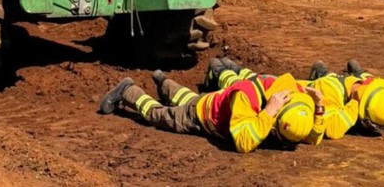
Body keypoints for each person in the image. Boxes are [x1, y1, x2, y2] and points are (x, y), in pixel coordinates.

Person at [99, 68, 325, 153]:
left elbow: (311, 138)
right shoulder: (247, 96)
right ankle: (128, 90)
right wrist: (267, 114)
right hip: (201, 116)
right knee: (161, 116)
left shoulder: (293, 94)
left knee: (188, 98)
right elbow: (244, 143)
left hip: (211, 101)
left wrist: (319, 110)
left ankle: (163, 81)